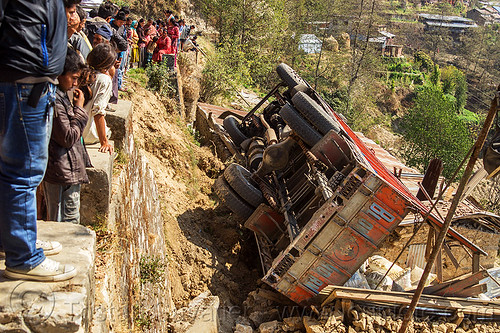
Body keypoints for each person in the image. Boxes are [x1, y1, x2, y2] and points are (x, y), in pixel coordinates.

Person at [0, 0, 78, 281]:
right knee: (23, 172)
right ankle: (23, 257)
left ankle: (15, 242)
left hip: (30, 84)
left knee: (21, 172)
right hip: (22, 84)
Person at [43, 48, 89, 224]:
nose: (75, 84)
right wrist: (79, 109)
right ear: (60, 74)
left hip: (67, 168)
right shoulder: (54, 99)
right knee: (61, 218)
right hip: (61, 169)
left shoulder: (61, 96)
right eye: (74, 78)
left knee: (69, 215)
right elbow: (68, 136)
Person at [83, 44, 116, 154]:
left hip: (75, 129)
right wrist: (104, 142)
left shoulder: (82, 72)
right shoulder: (104, 80)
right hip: (87, 134)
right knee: (109, 132)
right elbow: (98, 112)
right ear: (107, 67)